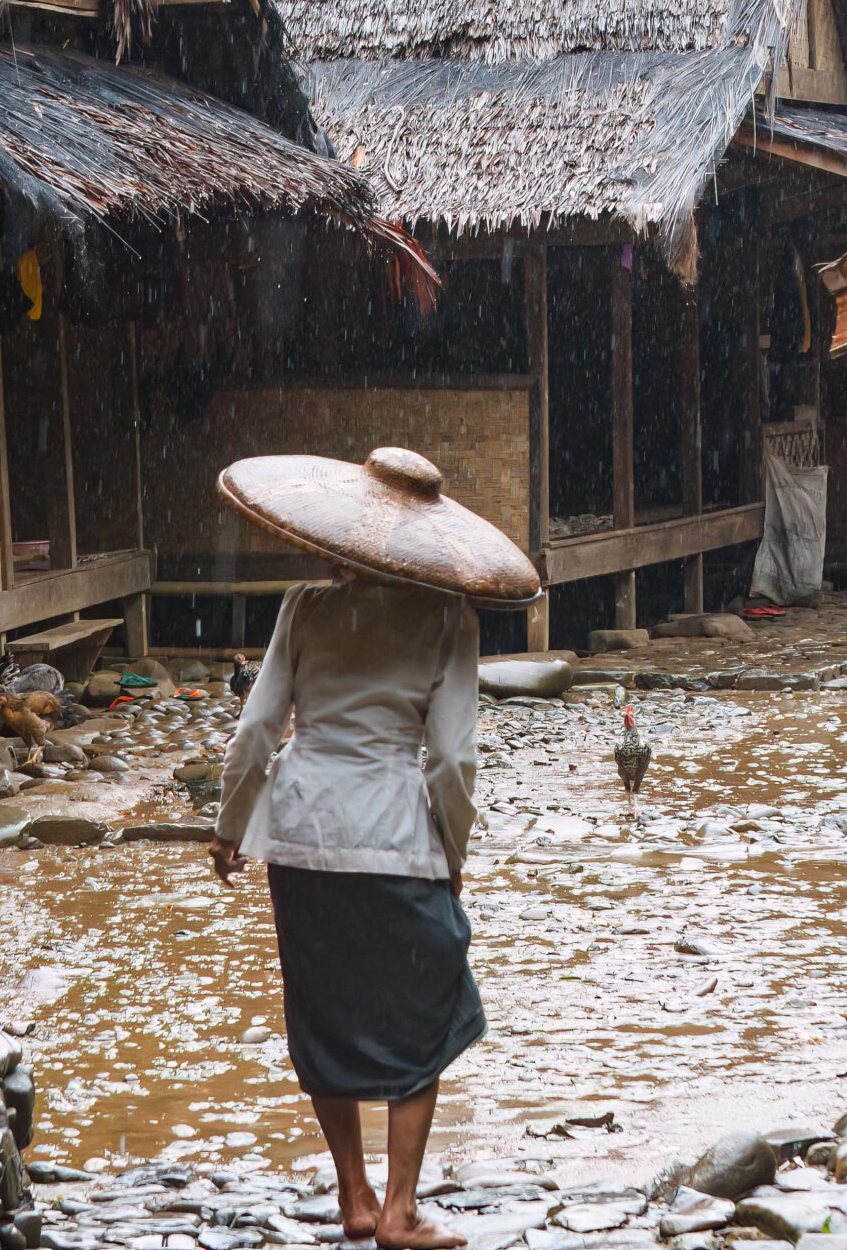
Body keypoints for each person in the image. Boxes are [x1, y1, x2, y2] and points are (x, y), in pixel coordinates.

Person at [207, 447, 540, 1250]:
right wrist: (450, 852)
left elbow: (258, 729)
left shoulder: (304, 608)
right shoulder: (447, 620)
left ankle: (353, 1196)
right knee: (427, 1009)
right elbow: (452, 759)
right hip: (395, 837)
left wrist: (229, 822)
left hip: (303, 833)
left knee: (324, 1010)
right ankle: (398, 1209)